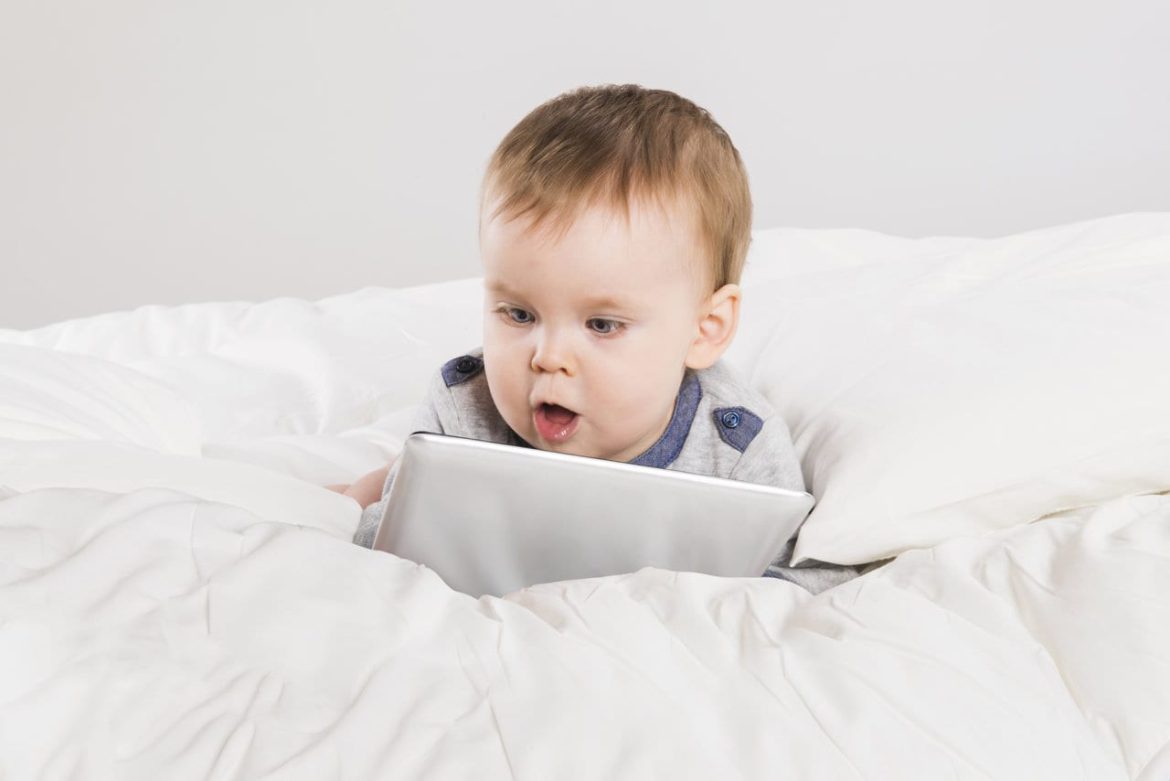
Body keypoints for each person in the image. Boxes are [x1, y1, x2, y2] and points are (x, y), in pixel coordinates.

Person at [333, 84, 859, 592]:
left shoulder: (739, 448)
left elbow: (797, 584)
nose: (549, 357)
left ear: (705, 330)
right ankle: (376, 477)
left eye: (602, 325)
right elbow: (384, 549)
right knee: (379, 491)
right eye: (518, 314)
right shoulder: (462, 409)